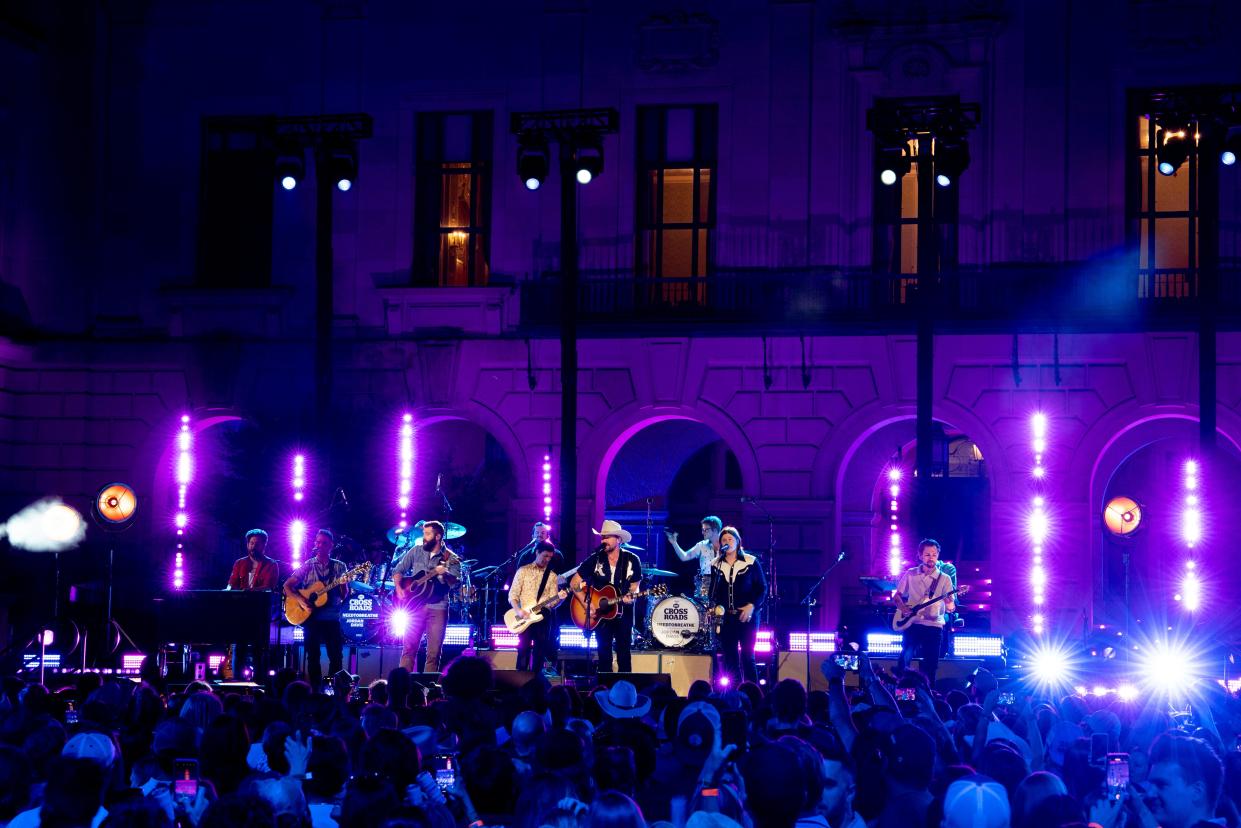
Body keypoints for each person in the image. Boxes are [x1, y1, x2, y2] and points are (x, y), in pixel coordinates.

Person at [570, 520, 642, 673]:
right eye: (602, 537)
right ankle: (605, 690)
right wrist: (586, 605)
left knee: (624, 654)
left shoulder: (632, 560)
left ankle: (625, 691)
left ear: (619, 539)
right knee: (604, 655)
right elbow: (574, 583)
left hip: (623, 613)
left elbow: (635, 587)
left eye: (607, 537)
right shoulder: (595, 559)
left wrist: (632, 596)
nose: (604, 541)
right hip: (600, 615)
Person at [283, 529, 349, 689]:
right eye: (317, 542)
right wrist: (301, 600)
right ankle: (315, 689)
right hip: (311, 618)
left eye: (323, 543)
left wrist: (343, 583)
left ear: (330, 546)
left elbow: (344, 595)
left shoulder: (339, 567)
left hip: (332, 617)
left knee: (336, 656)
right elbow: (287, 585)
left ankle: (335, 690)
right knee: (313, 656)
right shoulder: (307, 565)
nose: (319, 545)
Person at [392, 521, 461, 673]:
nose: (424, 537)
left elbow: (455, 583)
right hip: (414, 607)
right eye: (424, 533)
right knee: (408, 649)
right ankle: (403, 686)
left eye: (427, 534)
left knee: (433, 653)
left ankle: (429, 692)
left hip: (438, 607)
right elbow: (398, 570)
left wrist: (446, 573)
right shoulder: (416, 551)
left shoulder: (451, 558)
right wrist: (399, 588)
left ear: (438, 536)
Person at [707, 526, 766, 685]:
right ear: (720, 544)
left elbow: (762, 588)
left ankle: (752, 693)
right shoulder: (715, 564)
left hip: (747, 617)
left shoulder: (751, 561)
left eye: (730, 539)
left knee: (748, 656)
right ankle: (733, 695)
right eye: (724, 540)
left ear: (738, 541)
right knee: (729, 657)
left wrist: (752, 606)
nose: (727, 542)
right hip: (727, 618)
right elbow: (713, 592)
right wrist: (713, 607)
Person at [893, 539, 956, 684]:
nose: (931, 558)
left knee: (931, 664)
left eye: (934, 554)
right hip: (913, 623)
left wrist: (949, 602)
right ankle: (901, 690)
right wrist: (903, 608)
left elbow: (951, 609)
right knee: (905, 657)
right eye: (927, 554)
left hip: (934, 626)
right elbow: (897, 596)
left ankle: (929, 695)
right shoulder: (911, 573)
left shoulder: (945, 579)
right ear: (920, 556)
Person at [225, 529, 280, 679]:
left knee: (259, 649)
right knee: (239, 647)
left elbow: (269, 586)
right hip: (241, 612)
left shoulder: (271, 564)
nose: (253, 546)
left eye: (257, 543)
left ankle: (259, 682)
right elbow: (232, 584)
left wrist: (249, 591)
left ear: (264, 545)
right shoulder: (240, 563)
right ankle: (237, 681)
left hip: (260, 612)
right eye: (251, 543)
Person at [508, 541, 568, 675]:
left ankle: (536, 680)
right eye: (545, 556)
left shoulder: (551, 576)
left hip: (543, 617)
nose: (547, 560)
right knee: (523, 649)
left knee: (540, 651)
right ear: (537, 552)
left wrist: (561, 599)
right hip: (524, 616)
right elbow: (513, 594)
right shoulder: (523, 571)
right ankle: (520, 679)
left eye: (550, 557)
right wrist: (519, 610)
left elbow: (552, 603)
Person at [666, 516, 722, 597]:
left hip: (723, 581)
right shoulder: (701, 545)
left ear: (715, 530)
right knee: (704, 607)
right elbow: (684, 557)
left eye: (706, 530)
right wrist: (674, 543)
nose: (703, 532)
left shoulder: (726, 545)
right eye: (702, 529)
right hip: (706, 581)